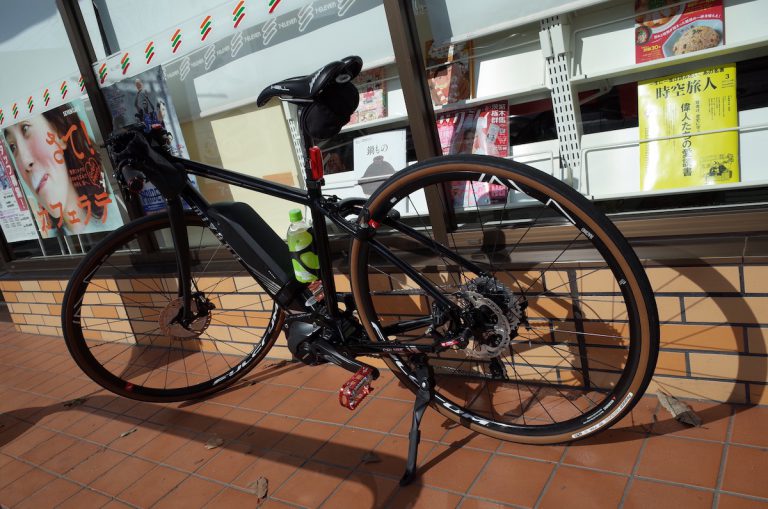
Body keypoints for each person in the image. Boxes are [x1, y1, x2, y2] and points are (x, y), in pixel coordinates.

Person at [3, 105, 112, 236]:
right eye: (13, 146)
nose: (25, 161)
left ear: (59, 134)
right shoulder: (47, 238)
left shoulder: (116, 215)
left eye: (25, 129)